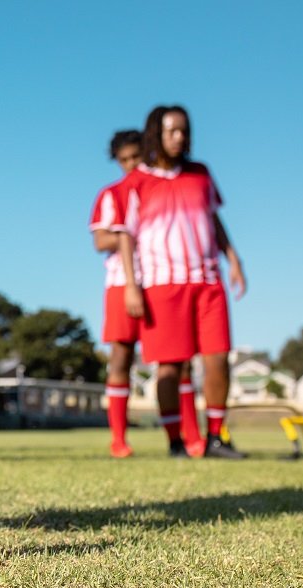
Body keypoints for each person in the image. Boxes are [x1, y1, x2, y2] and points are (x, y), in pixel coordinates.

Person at [113, 105, 248, 459]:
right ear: (155, 135)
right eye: (172, 131)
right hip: (162, 283)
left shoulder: (200, 174)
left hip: (207, 280)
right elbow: (125, 236)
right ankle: (175, 441)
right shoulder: (136, 182)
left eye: (184, 130)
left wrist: (233, 259)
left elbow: (214, 219)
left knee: (217, 358)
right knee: (170, 365)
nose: (180, 138)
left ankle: (216, 436)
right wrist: (131, 285)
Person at [90, 130, 203, 458]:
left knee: (178, 361)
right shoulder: (112, 194)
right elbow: (101, 240)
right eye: (123, 160)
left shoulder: (165, 189)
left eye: (135, 158)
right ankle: (119, 439)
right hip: (121, 285)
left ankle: (189, 436)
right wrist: (136, 232)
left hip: (162, 281)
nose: (130, 166)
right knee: (121, 356)